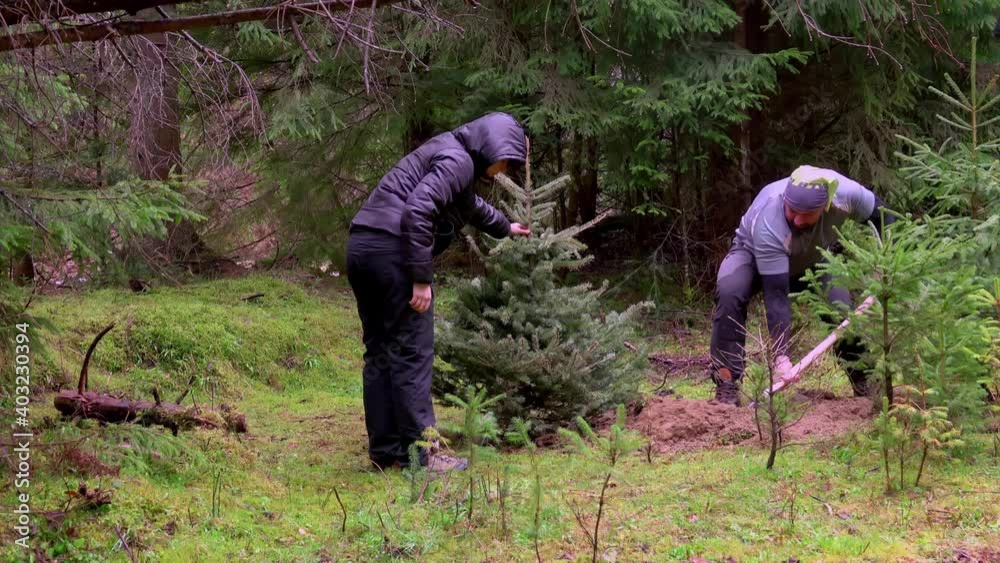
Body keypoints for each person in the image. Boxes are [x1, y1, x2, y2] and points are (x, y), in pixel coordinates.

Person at [346, 112, 532, 471]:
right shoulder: (458, 159)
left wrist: (505, 227)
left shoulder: (449, 152)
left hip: (362, 246)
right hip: (392, 253)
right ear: (493, 146)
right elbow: (418, 210)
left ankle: (387, 452)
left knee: (381, 352)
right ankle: (423, 456)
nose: (504, 169)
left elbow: (468, 206)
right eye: (506, 160)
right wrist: (421, 277)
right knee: (412, 352)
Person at [709, 165, 893, 405]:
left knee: (841, 309)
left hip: (813, 258)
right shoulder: (771, 219)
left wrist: (889, 264)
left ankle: (864, 380)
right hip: (753, 255)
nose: (796, 219)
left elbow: (886, 218)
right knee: (730, 291)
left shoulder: (848, 195)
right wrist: (781, 358)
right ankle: (727, 383)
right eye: (792, 210)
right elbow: (776, 296)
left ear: (825, 206)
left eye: (806, 214)